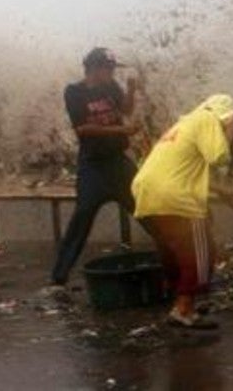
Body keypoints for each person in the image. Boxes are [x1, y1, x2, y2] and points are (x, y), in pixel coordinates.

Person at [132, 94, 233, 330]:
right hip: (176, 197)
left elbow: (182, 167)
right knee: (202, 254)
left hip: (148, 190)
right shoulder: (208, 119)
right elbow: (219, 158)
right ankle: (183, 308)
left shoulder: (185, 122)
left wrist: (219, 191)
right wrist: (231, 130)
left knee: (178, 250)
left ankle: (178, 299)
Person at [50, 48, 142, 288]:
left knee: (146, 207)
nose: (112, 73)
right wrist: (122, 130)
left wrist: (131, 90)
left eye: (113, 69)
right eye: (108, 69)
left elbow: (126, 110)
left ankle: (176, 260)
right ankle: (58, 278)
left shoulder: (111, 86)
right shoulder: (74, 92)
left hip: (119, 162)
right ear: (93, 68)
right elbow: (82, 129)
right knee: (82, 216)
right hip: (93, 166)